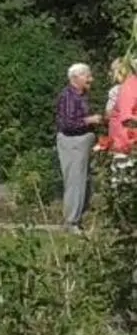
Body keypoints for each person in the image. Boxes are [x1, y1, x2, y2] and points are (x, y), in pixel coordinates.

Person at [58, 61, 99, 228]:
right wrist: (89, 120)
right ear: (76, 78)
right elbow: (68, 124)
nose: (91, 79)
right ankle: (71, 222)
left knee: (82, 180)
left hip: (81, 141)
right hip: (73, 142)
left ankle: (77, 219)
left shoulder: (81, 96)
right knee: (75, 181)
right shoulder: (69, 96)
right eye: (87, 76)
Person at [108, 57, 137, 158]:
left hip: (125, 143)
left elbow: (128, 118)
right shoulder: (133, 84)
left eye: (113, 71)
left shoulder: (127, 86)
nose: (110, 74)